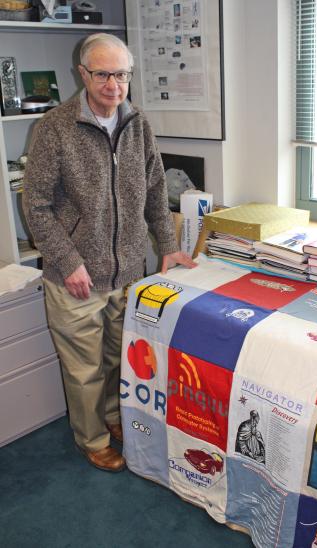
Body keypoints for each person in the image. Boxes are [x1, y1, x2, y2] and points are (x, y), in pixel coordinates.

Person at [22, 33, 196, 473]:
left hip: (128, 272)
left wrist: (168, 247)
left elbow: (156, 191)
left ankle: (116, 418)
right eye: (103, 74)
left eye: (121, 75)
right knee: (84, 371)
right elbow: (36, 206)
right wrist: (68, 262)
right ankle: (92, 438)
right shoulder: (54, 128)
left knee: (120, 358)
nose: (113, 85)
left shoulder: (137, 123)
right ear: (83, 74)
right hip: (75, 277)